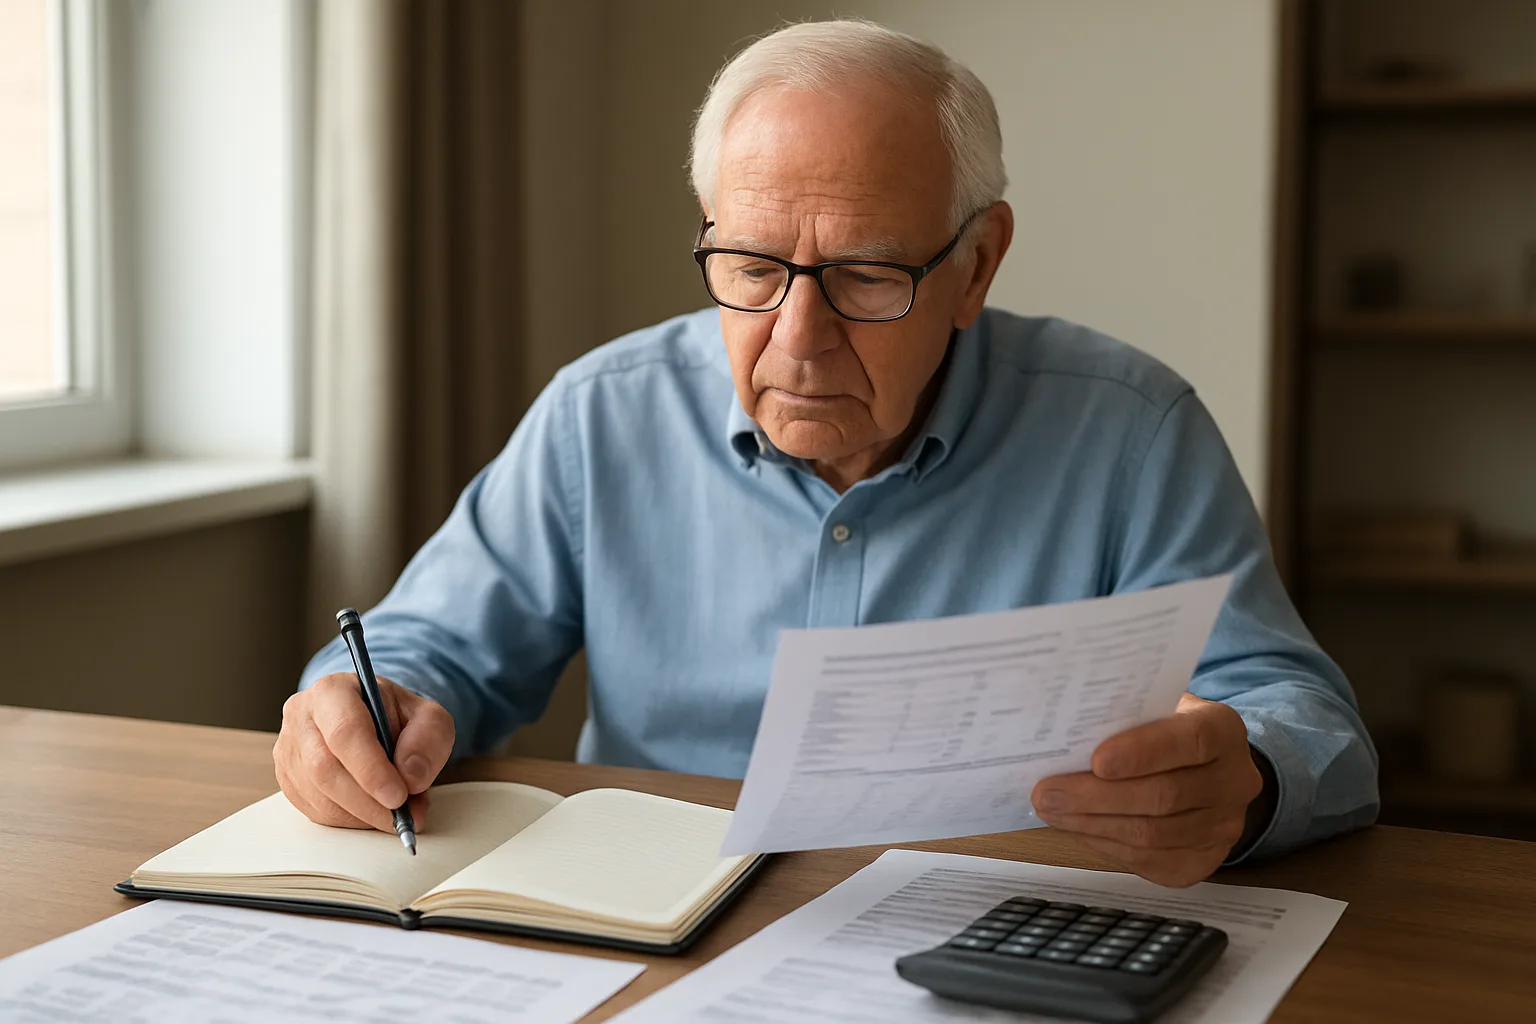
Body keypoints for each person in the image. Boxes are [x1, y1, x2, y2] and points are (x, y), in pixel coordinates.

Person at [277, 20, 1377, 887]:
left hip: (995, 931)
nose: (796, 339)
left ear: (978, 265)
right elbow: (431, 646)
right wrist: (363, 705)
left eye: (864, 275)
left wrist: (1248, 782)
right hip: (665, 927)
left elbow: (1303, 714)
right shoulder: (601, 416)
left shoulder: (1128, 431)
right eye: (751, 266)